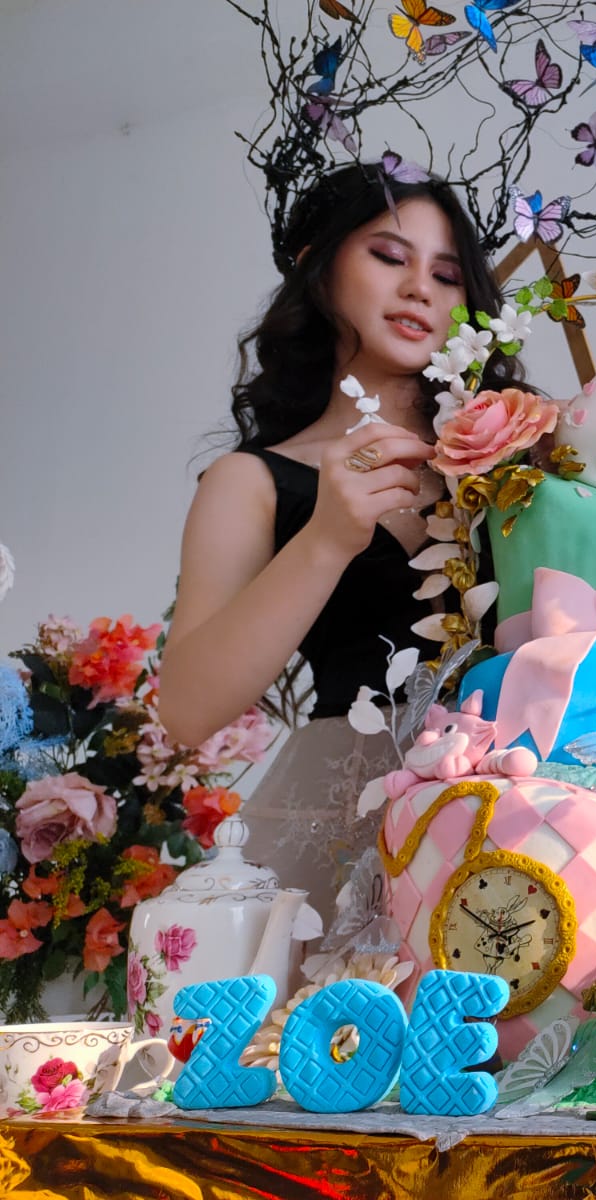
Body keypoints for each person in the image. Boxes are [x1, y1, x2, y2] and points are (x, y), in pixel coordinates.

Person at [158, 163, 524, 923]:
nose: (420, 289)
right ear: (318, 270)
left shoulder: (520, 465)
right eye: (390, 257)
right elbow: (187, 711)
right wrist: (326, 539)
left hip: (519, 818)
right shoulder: (253, 481)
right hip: (344, 830)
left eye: (447, 275)